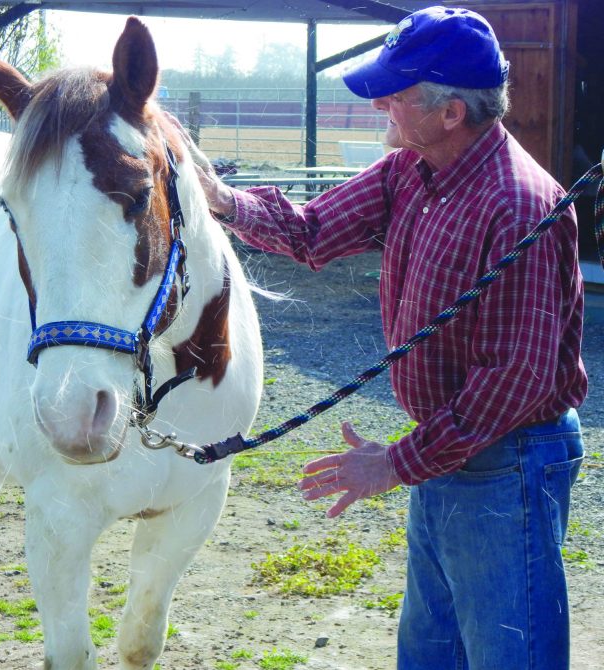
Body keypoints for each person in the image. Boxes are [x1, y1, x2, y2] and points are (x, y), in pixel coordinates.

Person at [176, 6, 587, 670]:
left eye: (395, 96)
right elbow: (312, 230)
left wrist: (393, 464)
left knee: (510, 655)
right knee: (430, 653)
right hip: (451, 453)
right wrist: (221, 199)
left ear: (451, 112)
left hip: (507, 460)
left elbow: (514, 382)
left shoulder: (517, 205)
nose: (381, 109)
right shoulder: (410, 171)